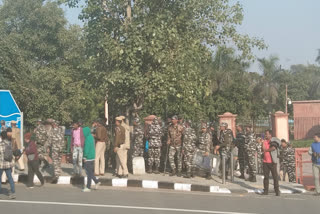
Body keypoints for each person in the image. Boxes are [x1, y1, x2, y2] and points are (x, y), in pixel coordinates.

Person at [82, 127, 101, 192]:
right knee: (90, 172)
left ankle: (88, 187)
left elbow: (86, 149)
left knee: (88, 173)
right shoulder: (91, 137)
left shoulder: (87, 139)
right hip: (92, 157)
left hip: (88, 158)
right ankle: (96, 181)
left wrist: (85, 157)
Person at [262, 130, 280, 196]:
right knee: (266, 177)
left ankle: (277, 190)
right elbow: (263, 148)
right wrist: (263, 142)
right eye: (265, 134)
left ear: (270, 135)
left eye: (267, 134)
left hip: (272, 162)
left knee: (275, 177)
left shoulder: (274, 141)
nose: (266, 135)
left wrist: (266, 150)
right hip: (265, 162)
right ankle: (266, 190)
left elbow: (273, 148)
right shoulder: (265, 141)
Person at [0, 131, 16, 199]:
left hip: (1, 164)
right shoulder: (9, 143)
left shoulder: (1, 144)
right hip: (8, 164)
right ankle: (13, 193)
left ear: (1, 137)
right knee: (10, 178)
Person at [47, 119, 64, 183]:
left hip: (55, 149)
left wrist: (48, 147)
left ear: (54, 125)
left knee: (55, 161)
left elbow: (49, 140)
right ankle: (59, 172)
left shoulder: (52, 131)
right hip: (61, 148)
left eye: (53, 124)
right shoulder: (61, 130)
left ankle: (56, 175)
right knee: (59, 161)